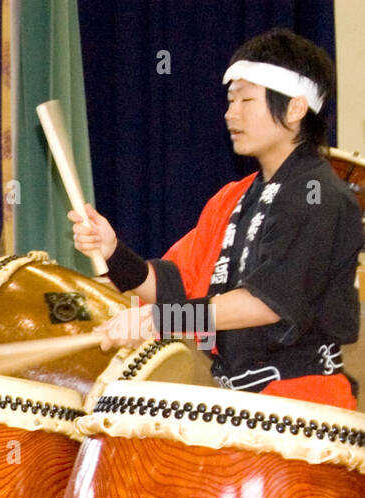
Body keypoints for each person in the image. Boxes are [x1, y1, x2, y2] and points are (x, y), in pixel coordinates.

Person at [71, 28, 362, 409]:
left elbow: (267, 303)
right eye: (229, 100)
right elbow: (177, 286)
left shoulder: (320, 196)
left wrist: (161, 321)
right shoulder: (233, 198)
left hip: (303, 404)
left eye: (246, 100)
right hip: (238, 400)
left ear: (295, 108)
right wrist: (113, 252)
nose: (231, 113)